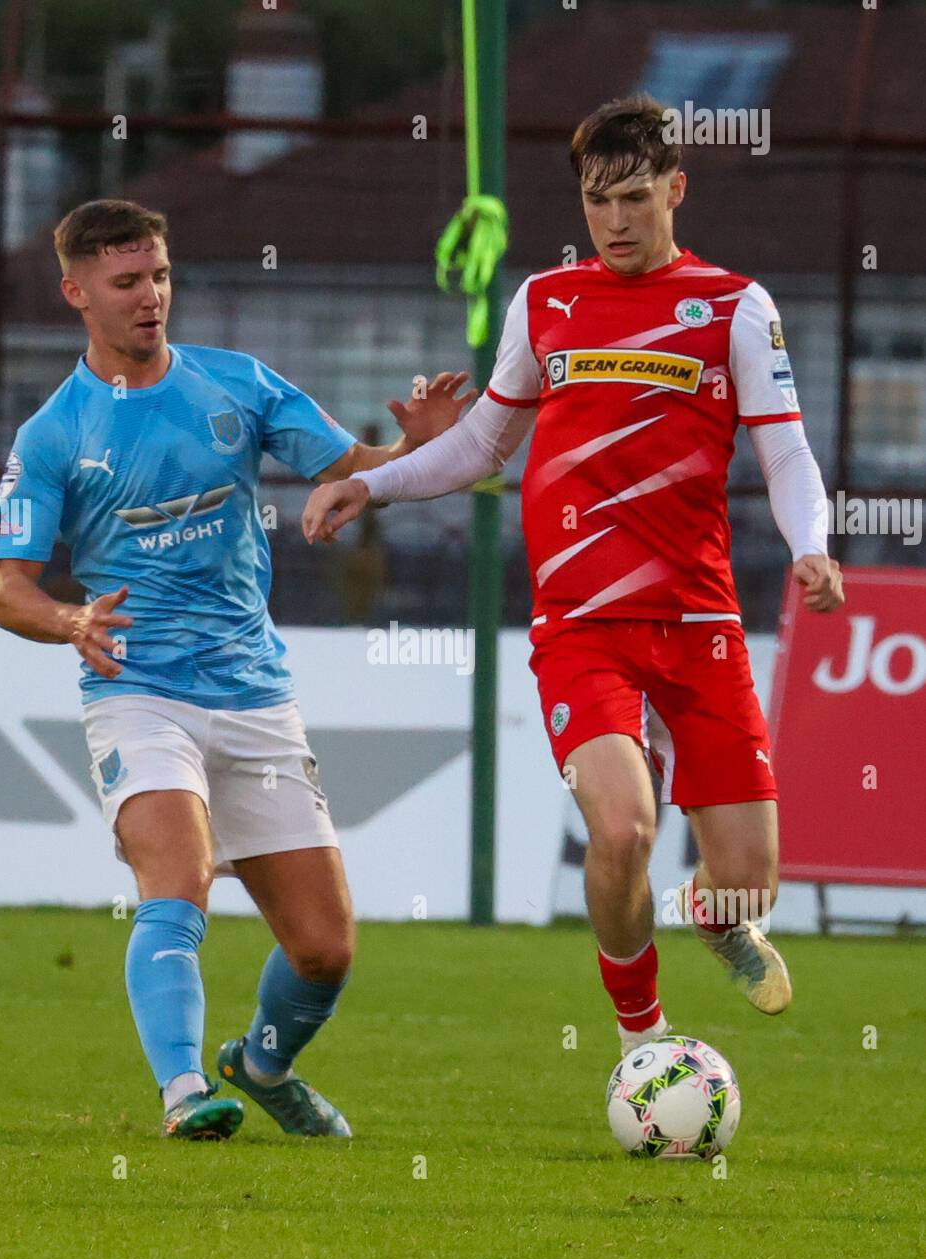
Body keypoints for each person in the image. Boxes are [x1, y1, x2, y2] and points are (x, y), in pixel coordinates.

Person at [301, 94, 845, 1057]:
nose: (617, 220)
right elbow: (479, 445)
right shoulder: (545, 302)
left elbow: (789, 455)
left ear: (677, 188)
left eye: (636, 196)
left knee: (751, 878)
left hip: (700, 622)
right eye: (598, 201)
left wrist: (812, 544)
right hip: (582, 627)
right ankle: (645, 1034)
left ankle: (717, 918)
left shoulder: (734, 306)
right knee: (625, 830)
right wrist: (374, 486)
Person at [0, 199, 474, 1137]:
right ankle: (181, 1095)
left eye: (160, 276)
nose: (151, 297)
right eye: (127, 282)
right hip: (138, 692)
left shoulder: (236, 386)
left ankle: (259, 1062)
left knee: (326, 951)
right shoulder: (54, 434)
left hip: (253, 696)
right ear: (76, 292)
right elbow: (8, 587)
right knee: (179, 876)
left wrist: (423, 446)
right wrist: (69, 618)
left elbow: (355, 470)